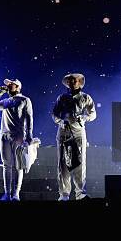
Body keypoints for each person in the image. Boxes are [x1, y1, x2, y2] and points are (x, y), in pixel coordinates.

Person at [52, 73, 96, 201]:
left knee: (80, 163)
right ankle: (64, 194)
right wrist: (60, 121)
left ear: (79, 82)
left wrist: (85, 117)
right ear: (67, 83)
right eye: (70, 81)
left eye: (74, 80)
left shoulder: (85, 97)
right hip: (63, 132)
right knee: (62, 164)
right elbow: (54, 114)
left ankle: (80, 193)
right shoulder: (62, 98)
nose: (72, 82)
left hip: (78, 132)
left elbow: (93, 114)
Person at [0, 78, 34, 201]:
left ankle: (16, 193)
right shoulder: (5, 101)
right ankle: (7, 193)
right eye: (8, 84)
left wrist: (29, 135)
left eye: (11, 84)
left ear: (18, 87)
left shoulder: (25, 100)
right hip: (4, 136)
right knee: (6, 165)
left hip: (18, 136)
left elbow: (30, 118)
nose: (8, 86)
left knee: (18, 165)